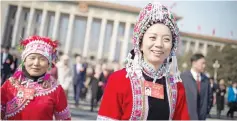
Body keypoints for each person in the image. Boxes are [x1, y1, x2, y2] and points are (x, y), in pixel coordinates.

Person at [97, 2, 189, 120]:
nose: (159, 44)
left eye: (166, 39)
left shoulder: (177, 87)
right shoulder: (119, 81)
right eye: (152, 38)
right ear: (140, 43)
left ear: (172, 46)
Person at [1, 36, 71, 120]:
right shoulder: (9, 85)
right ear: (24, 61)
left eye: (42, 59)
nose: (36, 63)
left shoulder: (56, 89)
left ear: (48, 64)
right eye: (32, 58)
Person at [181, 53, 212, 120]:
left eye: (205, 63)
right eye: (202, 63)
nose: (204, 66)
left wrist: (206, 110)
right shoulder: (183, 77)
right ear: (194, 63)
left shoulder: (206, 80)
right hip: (186, 116)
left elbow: (210, 97)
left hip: (201, 116)